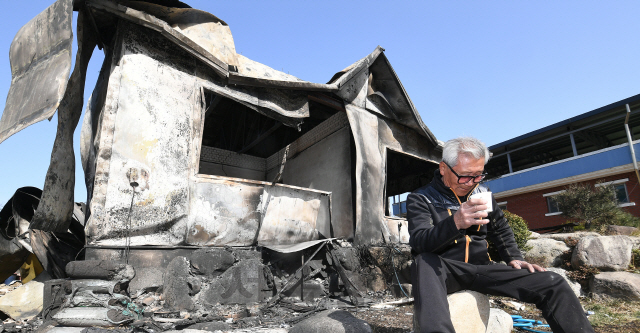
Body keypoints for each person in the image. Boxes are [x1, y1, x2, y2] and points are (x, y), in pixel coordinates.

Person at [407, 137, 593, 333]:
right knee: (423, 261)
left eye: (478, 175)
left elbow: (500, 228)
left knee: (553, 283)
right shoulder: (421, 198)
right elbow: (420, 241)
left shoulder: (482, 193)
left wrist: (514, 257)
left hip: (482, 268)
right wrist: (455, 223)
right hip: (446, 270)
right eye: (464, 176)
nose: (471, 183)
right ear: (444, 168)